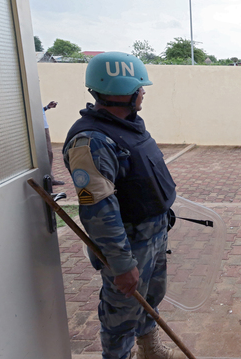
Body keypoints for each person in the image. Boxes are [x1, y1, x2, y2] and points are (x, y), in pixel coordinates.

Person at [62, 52, 184, 359]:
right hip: (127, 243)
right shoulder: (91, 141)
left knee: (151, 298)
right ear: (122, 92)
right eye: (139, 87)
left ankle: (149, 350)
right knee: (121, 315)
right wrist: (121, 263)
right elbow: (97, 210)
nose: (143, 91)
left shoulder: (130, 126)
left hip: (153, 234)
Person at [43, 101, 65, 185]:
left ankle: (50, 178)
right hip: (37, 126)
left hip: (44, 126)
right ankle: (48, 178)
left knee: (49, 153)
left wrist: (47, 107)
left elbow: (40, 111)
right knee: (44, 153)